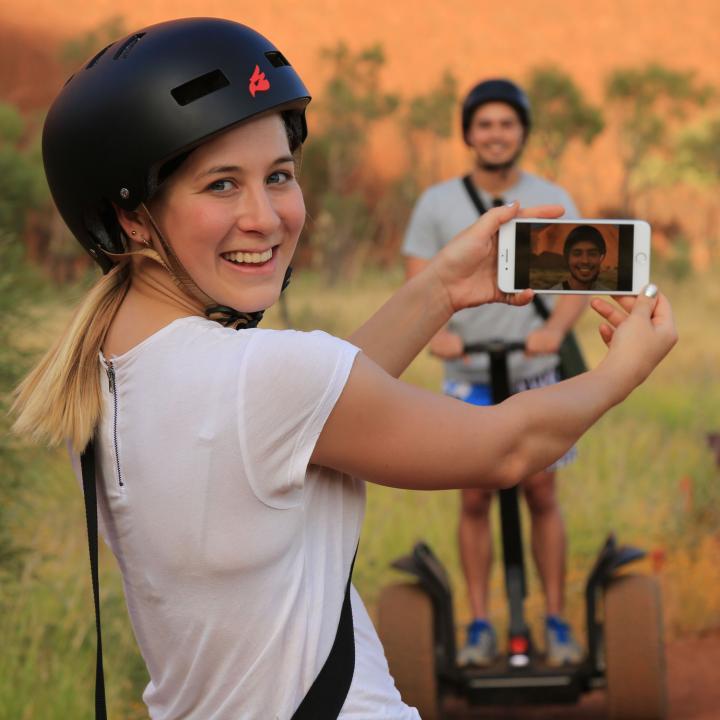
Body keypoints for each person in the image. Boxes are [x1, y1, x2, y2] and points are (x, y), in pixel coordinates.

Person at [12, 20, 676, 720]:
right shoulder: (260, 378)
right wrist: (620, 372)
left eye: (278, 176)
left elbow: (311, 409)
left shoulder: (106, 373)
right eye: (221, 186)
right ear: (134, 216)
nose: (264, 217)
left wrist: (442, 289)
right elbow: (507, 448)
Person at [403, 78, 592, 667]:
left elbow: (579, 277)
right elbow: (419, 279)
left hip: (536, 365)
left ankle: (557, 621)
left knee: (540, 489)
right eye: (483, 124)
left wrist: (555, 333)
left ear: (522, 132)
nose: (495, 134)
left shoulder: (551, 195)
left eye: (506, 124)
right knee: (475, 494)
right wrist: (438, 336)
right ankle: (481, 624)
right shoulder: (437, 203)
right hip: (472, 370)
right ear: (468, 133)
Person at [550, 224, 613, 292]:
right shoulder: (549, 296)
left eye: (592, 254)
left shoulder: (611, 297)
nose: (585, 261)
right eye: (577, 254)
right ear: (567, 257)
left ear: (601, 257)